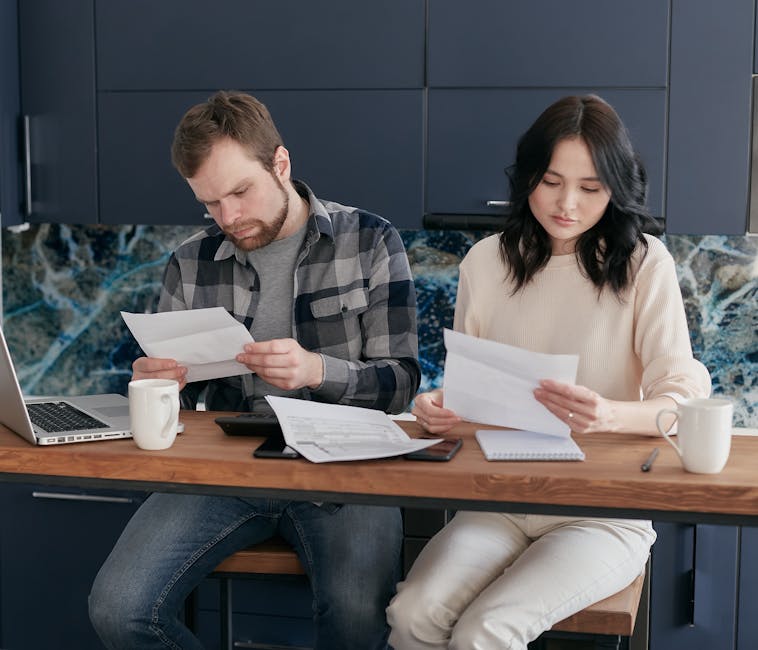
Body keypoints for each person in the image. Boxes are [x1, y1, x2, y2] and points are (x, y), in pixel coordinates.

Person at [89, 90, 420, 650]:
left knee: (357, 620)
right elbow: (175, 396)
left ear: (281, 164)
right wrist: (158, 380)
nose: (229, 217)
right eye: (210, 203)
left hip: (347, 470)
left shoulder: (370, 241)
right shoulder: (190, 261)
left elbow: (402, 385)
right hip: (226, 469)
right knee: (118, 609)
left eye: (240, 192)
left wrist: (318, 370)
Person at [386, 94, 711, 650]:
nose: (567, 204)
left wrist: (608, 414)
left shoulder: (644, 263)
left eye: (590, 188)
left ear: (616, 188)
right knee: (413, 613)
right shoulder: (485, 262)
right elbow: (474, 395)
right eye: (551, 181)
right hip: (500, 500)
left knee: (485, 631)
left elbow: (682, 402)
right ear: (527, 177)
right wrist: (441, 408)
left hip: (603, 512)